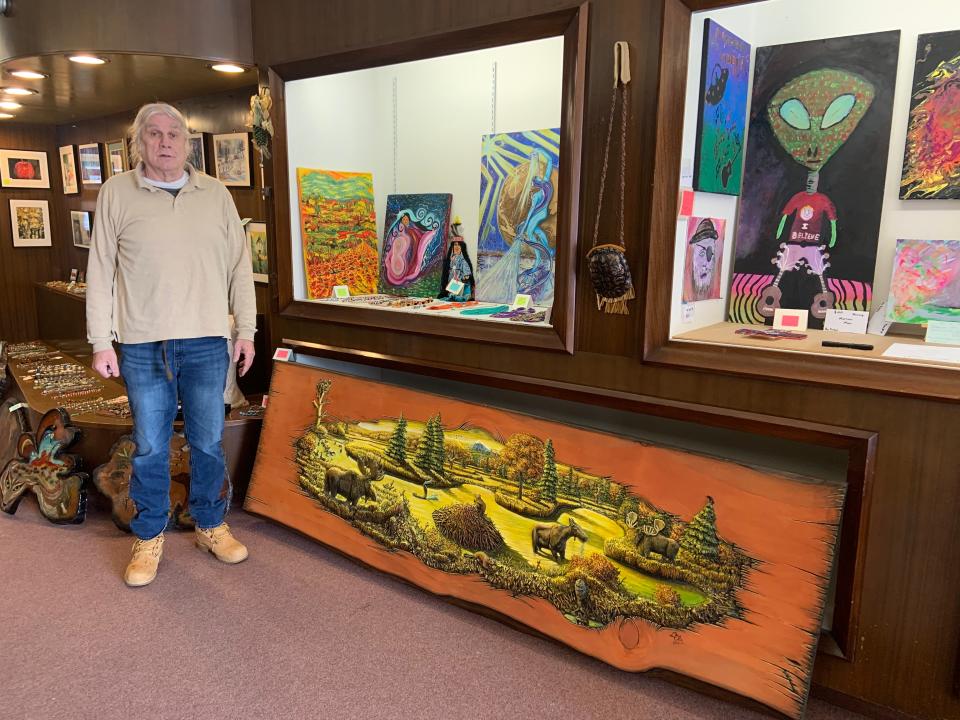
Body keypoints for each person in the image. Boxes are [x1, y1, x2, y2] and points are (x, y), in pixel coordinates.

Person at [86, 102, 257, 587]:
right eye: (155, 134)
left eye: (174, 135)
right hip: (143, 345)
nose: (165, 143)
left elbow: (238, 269)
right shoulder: (117, 193)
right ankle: (148, 535)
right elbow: (100, 272)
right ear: (139, 143)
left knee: (207, 442)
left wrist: (246, 331)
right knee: (150, 448)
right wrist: (102, 341)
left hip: (207, 341)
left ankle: (210, 524)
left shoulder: (217, 195)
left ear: (188, 142)